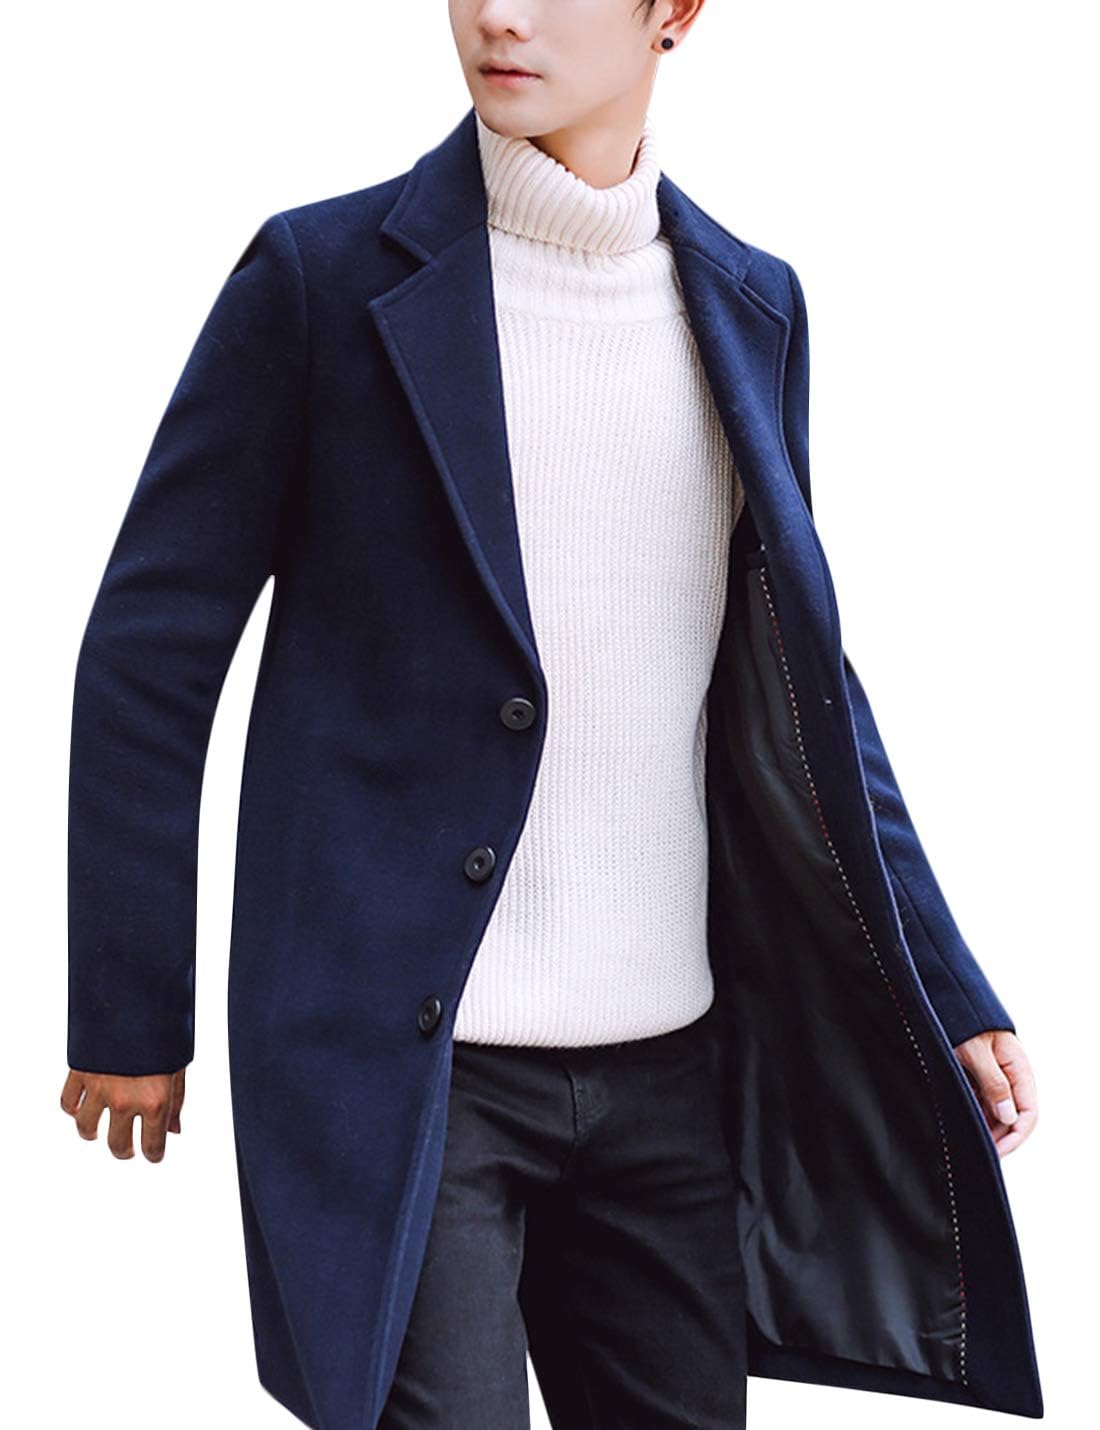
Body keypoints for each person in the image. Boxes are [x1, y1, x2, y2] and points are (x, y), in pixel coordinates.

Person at [61, 3, 1041, 1427]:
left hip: (670, 1072)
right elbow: (151, 653)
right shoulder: (322, 282)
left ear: (675, 13)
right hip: (407, 1072)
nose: (498, 16)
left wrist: (942, 981)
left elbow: (804, 680)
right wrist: (128, 1003)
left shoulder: (753, 305)